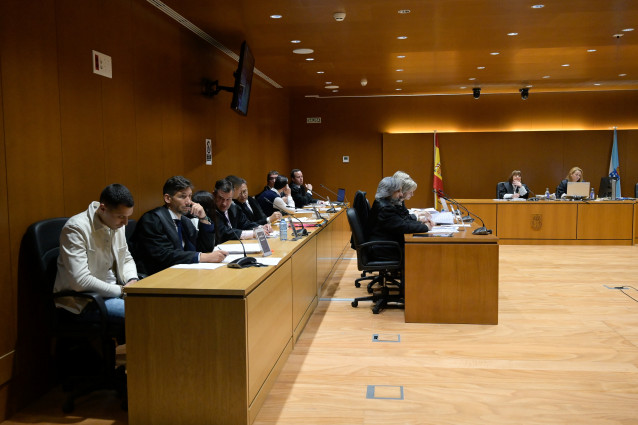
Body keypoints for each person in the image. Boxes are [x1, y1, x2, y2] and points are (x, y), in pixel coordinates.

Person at [54, 183, 138, 336]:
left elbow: (125, 257)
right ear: (103, 209)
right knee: (143, 313)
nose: (125, 223)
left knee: (155, 305)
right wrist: (122, 291)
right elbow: (80, 281)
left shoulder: (117, 224)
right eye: (121, 217)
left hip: (116, 291)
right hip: (85, 302)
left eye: (128, 217)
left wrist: (132, 279)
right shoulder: (76, 228)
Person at [131, 176, 227, 275]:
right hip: (157, 276)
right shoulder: (152, 220)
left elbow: (204, 248)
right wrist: (202, 257)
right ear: (168, 198)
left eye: (190, 196)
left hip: (182, 273)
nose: (189, 201)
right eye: (182, 196)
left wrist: (203, 218)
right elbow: (165, 255)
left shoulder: (185, 222)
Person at [367, 177, 434, 261]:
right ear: (388, 192)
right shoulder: (386, 208)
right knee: (421, 250)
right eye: (398, 191)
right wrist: (426, 227)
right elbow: (403, 227)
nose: (401, 194)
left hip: (384, 244)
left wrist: (421, 224)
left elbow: (402, 222)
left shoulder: (383, 203)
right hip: (383, 248)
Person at [213, 178, 266, 244]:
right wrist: (253, 233)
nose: (224, 203)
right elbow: (224, 232)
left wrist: (260, 227)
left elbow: (245, 224)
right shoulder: (211, 210)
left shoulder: (234, 207)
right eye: (221, 198)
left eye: (228, 199)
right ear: (214, 195)